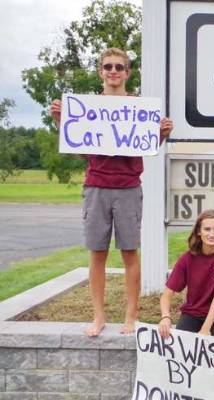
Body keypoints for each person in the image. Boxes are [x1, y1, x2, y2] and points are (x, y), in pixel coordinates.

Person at [49, 47, 173, 336]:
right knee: (97, 254)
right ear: (100, 72)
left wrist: (162, 135)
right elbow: (82, 151)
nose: (114, 72)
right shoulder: (88, 107)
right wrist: (61, 122)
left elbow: (146, 147)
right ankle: (99, 316)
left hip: (128, 187)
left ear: (128, 73)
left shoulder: (139, 108)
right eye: (108, 67)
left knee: (130, 252)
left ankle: (131, 316)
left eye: (119, 67)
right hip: (96, 186)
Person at [158, 210, 214, 340]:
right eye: (207, 229)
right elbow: (166, 295)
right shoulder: (187, 258)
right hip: (192, 313)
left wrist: (205, 328)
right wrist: (165, 317)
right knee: (178, 348)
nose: (211, 234)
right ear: (199, 231)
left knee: (210, 351)